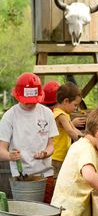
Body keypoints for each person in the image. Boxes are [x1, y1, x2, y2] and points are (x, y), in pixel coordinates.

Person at [0, 72, 59, 203]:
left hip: (45, 175)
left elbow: (51, 145)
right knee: (26, 213)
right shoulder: (10, 116)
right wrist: (9, 155)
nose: (29, 104)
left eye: (33, 101)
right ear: (17, 96)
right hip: (22, 178)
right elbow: (1, 150)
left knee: (45, 212)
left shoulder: (47, 113)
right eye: (26, 101)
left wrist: (45, 153)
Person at [52, 82, 85, 179]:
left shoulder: (65, 114)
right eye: (75, 105)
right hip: (56, 156)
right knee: (57, 180)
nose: (76, 108)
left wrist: (86, 138)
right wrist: (82, 141)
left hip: (61, 156)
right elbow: (70, 131)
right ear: (66, 101)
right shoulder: (60, 115)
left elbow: (74, 128)